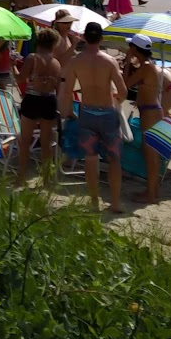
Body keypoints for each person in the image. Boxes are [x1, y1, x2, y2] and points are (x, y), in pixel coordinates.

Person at [59, 21, 127, 212]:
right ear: (101, 38)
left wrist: (68, 111)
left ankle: (94, 200)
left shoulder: (76, 62)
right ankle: (115, 202)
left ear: (84, 37)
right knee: (114, 159)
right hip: (107, 113)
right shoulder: (110, 61)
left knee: (90, 158)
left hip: (87, 112)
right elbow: (123, 90)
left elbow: (67, 91)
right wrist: (118, 98)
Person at [122, 35, 164, 202]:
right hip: (150, 111)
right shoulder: (146, 66)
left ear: (135, 49)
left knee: (150, 154)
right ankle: (152, 192)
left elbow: (125, 84)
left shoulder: (146, 67)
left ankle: (151, 194)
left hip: (150, 112)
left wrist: (126, 61)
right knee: (150, 154)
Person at [16, 30, 61, 177]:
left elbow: (20, 79)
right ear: (53, 44)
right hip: (49, 100)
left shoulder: (32, 58)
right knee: (46, 143)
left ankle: (21, 177)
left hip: (33, 99)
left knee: (25, 140)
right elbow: (58, 88)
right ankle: (46, 179)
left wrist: (12, 66)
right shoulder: (56, 63)